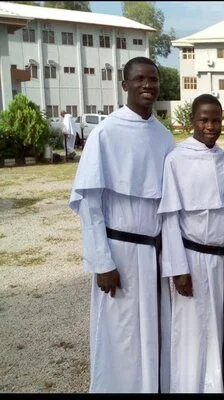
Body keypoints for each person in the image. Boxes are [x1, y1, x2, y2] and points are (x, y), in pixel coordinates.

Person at [68, 56, 175, 392]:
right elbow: (90, 204)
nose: (148, 85)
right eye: (140, 79)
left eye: (153, 79)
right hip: (120, 255)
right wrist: (102, 262)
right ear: (125, 84)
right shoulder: (106, 133)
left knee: (154, 332)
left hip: (154, 253)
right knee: (121, 336)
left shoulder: (163, 136)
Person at [157, 94, 224, 392]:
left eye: (216, 120)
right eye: (204, 120)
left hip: (222, 258)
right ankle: (193, 385)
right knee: (194, 328)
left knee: (223, 321)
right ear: (192, 121)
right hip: (192, 259)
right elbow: (170, 218)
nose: (210, 126)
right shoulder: (176, 160)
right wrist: (178, 269)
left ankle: (223, 382)